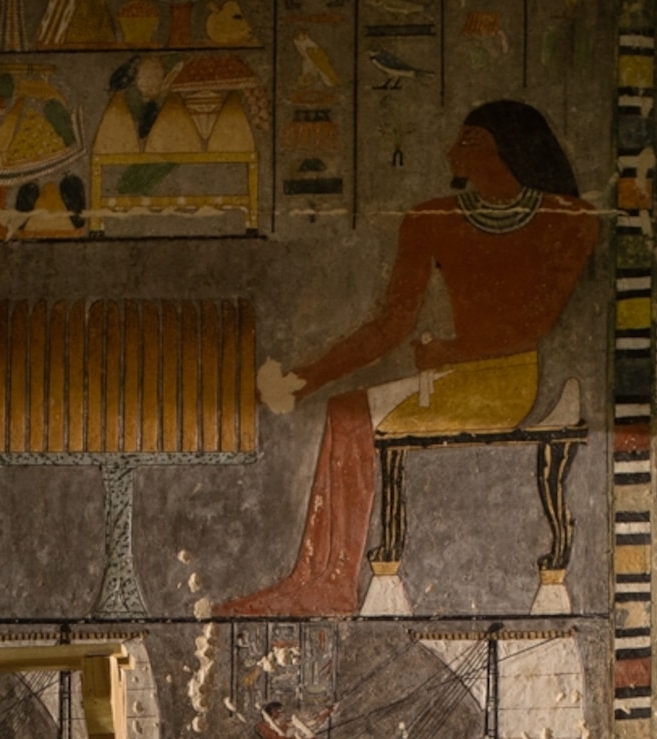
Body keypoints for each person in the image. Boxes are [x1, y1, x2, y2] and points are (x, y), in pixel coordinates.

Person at [223, 101, 599, 617]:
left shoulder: (570, 218)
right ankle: (313, 577)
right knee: (344, 409)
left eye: (468, 141)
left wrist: (449, 350)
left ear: (507, 148)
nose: (452, 151)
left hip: (507, 385)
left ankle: (329, 583)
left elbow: (535, 323)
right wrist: (301, 380)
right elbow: (389, 326)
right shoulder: (431, 218)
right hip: (454, 377)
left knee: (350, 414)